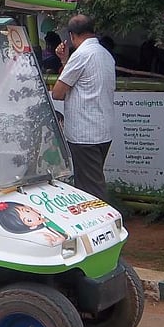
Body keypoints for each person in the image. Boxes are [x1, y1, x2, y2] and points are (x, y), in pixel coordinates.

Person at [52, 14, 116, 201]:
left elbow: (58, 92)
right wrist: (65, 61)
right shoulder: (105, 54)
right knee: (92, 181)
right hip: (103, 131)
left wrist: (67, 61)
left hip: (84, 134)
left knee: (90, 189)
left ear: (72, 35)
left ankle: (103, 224)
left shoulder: (81, 55)